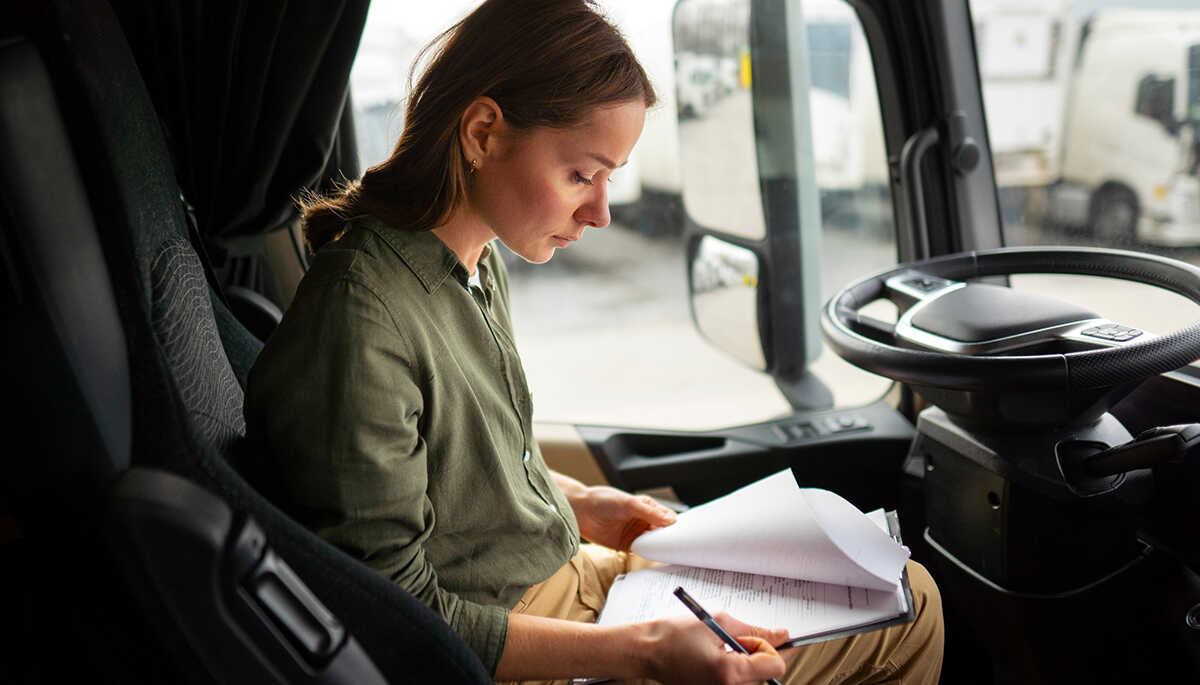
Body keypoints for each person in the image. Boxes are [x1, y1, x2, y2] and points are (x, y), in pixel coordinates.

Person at [244, 0, 944, 683]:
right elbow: (394, 614)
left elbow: (461, 475)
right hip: (510, 632)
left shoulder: (471, 262)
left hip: (558, 572)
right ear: (484, 132)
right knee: (909, 615)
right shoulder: (364, 321)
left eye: (610, 178)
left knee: (898, 584)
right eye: (581, 174)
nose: (603, 211)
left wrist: (582, 503)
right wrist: (641, 652)